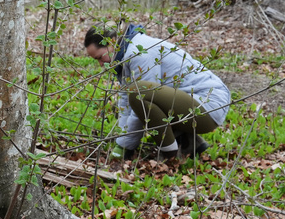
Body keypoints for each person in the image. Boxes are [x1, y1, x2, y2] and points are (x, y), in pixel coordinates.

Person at [84, 24, 231, 161]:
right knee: (125, 102)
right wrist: (122, 139)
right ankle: (191, 144)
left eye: (100, 57)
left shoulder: (139, 53)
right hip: (193, 104)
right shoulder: (124, 55)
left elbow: (141, 97)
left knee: (139, 93)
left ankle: (170, 155)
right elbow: (125, 102)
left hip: (208, 106)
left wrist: (124, 147)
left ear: (113, 42)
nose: (101, 64)